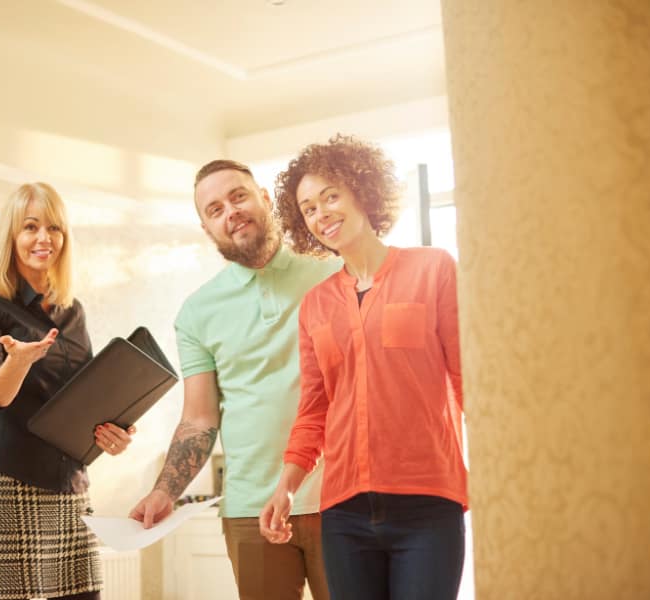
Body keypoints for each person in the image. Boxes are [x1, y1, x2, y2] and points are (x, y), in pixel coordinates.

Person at [259, 135, 467, 600]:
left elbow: (467, 379)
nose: (320, 214)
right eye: (308, 208)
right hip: (344, 513)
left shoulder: (434, 269)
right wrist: (286, 488)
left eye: (330, 196)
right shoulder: (315, 306)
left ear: (362, 192)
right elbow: (314, 411)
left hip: (428, 503)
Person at [128, 160, 340, 600]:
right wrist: (165, 490)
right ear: (207, 227)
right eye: (215, 208)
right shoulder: (197, 312)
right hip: (249, 509)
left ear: (264, 197)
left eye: (238, 196)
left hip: (339, 498)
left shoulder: (330, 271)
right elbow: (200, 418)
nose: (231, 212)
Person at [0, 182, 135, 600]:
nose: (44, 239)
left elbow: (86, 396)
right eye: (30, 227)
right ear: (11, 237)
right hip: (5, 480)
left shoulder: (72, 311)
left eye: (54, 228)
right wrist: (19, 361)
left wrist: (116, 431)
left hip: (67, 484)